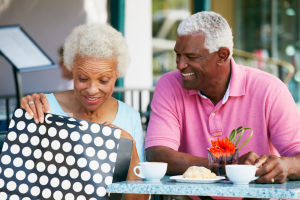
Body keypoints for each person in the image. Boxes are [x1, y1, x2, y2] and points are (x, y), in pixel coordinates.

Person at [145, 10, 300, 190]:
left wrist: (285, 166)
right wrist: (228, 166)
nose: (180, 65)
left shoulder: (269, 89)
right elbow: (157, 156)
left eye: (191, 57)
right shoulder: (169, 85)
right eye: (178, 55)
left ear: (222, 56)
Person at [21, 23, 145, 164]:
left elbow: (139, 184)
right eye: (83, 79)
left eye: (103, 80)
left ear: (117, 75)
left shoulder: (130, 117)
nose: (92, 90)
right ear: (72, 69)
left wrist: (130, 148)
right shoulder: (41, 107)